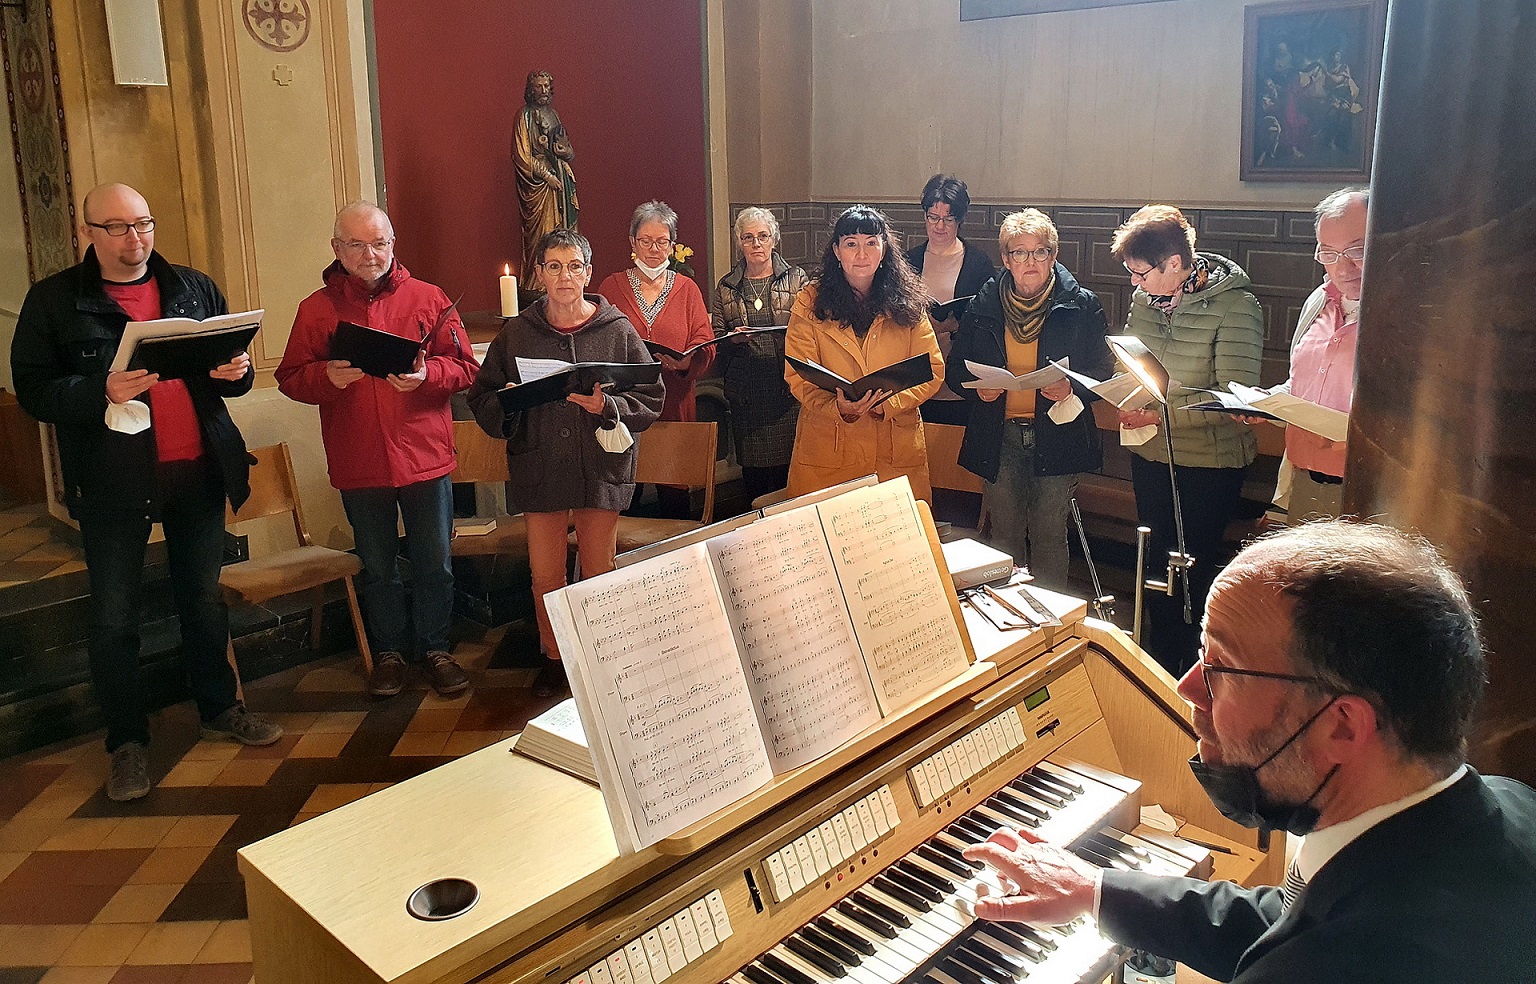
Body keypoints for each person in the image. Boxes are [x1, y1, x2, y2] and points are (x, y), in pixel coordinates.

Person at [963, 520, 1536, 982]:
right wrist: (1097, 890)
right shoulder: (1505, 811)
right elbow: (1293, 920)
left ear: (1342, 726)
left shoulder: (1334, 965)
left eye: (1223, 668)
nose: (1187, 688)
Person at [10, 182, 281, 802]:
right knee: (114, 617)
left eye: (144, 224)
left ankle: (220, 709)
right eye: (119, 228)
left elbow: (225, 380)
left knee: (203, 601)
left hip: (197, 467)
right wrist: (98, 390)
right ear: (88, 235)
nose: (136, 240)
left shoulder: (191, 286)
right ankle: (127, 743)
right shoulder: (55, 301)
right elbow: (32, 390)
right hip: (114, 480)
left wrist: (233, 373)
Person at [276, 202, 478, 700]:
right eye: (358, 244)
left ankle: (434, 647)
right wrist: (326, 377)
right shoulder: (316, 309)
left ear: (394, 243)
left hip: (424, 455)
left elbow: (467, 369)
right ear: (336, 249)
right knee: (379, 566)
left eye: (380, 243)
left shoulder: (429, 298)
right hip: (359, 458)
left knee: (435, 561)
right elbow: (289, 378)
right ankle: (387, 652)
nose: (371, 255)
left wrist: (427, 375)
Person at [468, 229, 663, 698]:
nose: (564, 276)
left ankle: (601, 653)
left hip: (600, 466)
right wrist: (511, 403)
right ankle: (554, 655)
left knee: (599, 567)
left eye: (573, 266)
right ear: (539, 275)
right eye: (553, 266)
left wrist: (608, 409)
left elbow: (651, 394)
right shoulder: (517, 333)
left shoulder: (616, 330)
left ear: (588, 271)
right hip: (540, 467)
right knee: (547, 574)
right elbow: (482, 398)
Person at [1111, 205, 1264, 676]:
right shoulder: (1145, 301)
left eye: (1141, 273)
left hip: (1210, 462)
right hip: (1153, 453)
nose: (1135, 284)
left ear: (1174, 264)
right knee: (1155, 560)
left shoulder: (1237, 305)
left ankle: (1195, 670)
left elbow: (1234, 403)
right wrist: (1124, 394)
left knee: (1193, 570)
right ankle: (1156, 664)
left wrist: (1160, 412)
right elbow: (1133, 365)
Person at [946, 209, 1111, 590]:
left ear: (1054, 257)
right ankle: (1010, 619)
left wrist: (1073, 389)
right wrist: (977, 386)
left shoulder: (1081, 304)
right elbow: (955, 369)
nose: (1031, 261)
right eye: (1020, 253)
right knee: (1004, 535)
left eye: (1040, 252)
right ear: (1006, 259)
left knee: (1050, 535)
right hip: (999, 434)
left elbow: (1102, 371)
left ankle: (1054, 621)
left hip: (1057, 432)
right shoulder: (984, 304)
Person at [784, 205, 945, 503]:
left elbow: (932, 369)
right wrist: (838, 407)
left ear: (884, 250)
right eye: (851, 244)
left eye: (871, 243)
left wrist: (887, 404)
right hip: (829, 449)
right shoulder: (809, 302)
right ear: (836, 250)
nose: (862, 254)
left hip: (894, 449)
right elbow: (798, 374)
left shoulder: (908, 303)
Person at [1245, 188, 1367, 521]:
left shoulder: (1403, 315)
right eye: (1328, 254)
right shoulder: (1319, 302)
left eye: (1356, 250)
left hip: (1365, 489)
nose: (1342, 267)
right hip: (1305, 478)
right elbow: (1303, 384)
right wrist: (1270, 400)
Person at [597, 201, 713, 519]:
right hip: (625, 406)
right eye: (645, 241)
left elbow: (705, 342)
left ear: (672, 245)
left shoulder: (687, 289)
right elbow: (599, 339)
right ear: (632, 242)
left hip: (673, 402)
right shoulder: (611, 286)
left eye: (661, 241)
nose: (653, 249)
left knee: (674, 500)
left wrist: (686, 362)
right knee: (624, 501)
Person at [712, 207, 808, 505]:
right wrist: (732, 338)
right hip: (748, 394)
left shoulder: (796, 280)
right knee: (754, 480)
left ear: (774, 240)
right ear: (739, 242)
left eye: (762, 236)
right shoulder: (727, 286)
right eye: (748, 237)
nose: (756, 244)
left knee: (786, 477)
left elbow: (812, 329)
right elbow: (716, 337)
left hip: (787, 390)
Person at [905, 175, 995, 426]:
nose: (939, 226)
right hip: (917, 373)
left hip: (960, 373)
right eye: (933, 217)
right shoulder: (908, 262)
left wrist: (953, 325)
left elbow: (992, 322)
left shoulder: (978, 263)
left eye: (948, 219)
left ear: (960, 220)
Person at [512, 70, 579, 286]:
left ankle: (563, 282)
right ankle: (538, 284)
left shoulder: (554, 114)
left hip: (560, 182)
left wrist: (565, 152)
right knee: (541, 237)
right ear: (530, 90)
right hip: (539, 187)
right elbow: (521, 156)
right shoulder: (525, 116)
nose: (543, 91)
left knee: (563, 234)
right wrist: (546, 176)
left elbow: (565, 147)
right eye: (538, 86)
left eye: (546, 87)